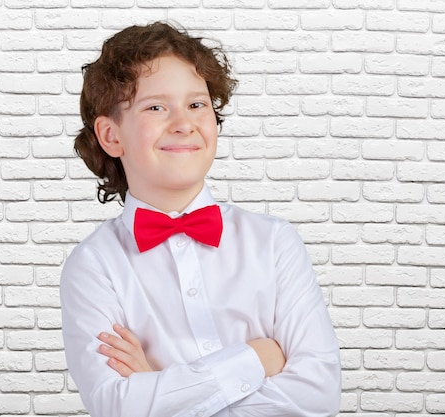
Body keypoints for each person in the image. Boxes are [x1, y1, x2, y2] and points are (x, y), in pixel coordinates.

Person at [60, 21, 341, 417]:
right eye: (156, 107)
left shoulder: (275, 243)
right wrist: (256, 358)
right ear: (111, 136)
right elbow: (116, 406)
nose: (183, 123)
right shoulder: (93, 267)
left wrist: (161, 388)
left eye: (197, 105)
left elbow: (319, 394)